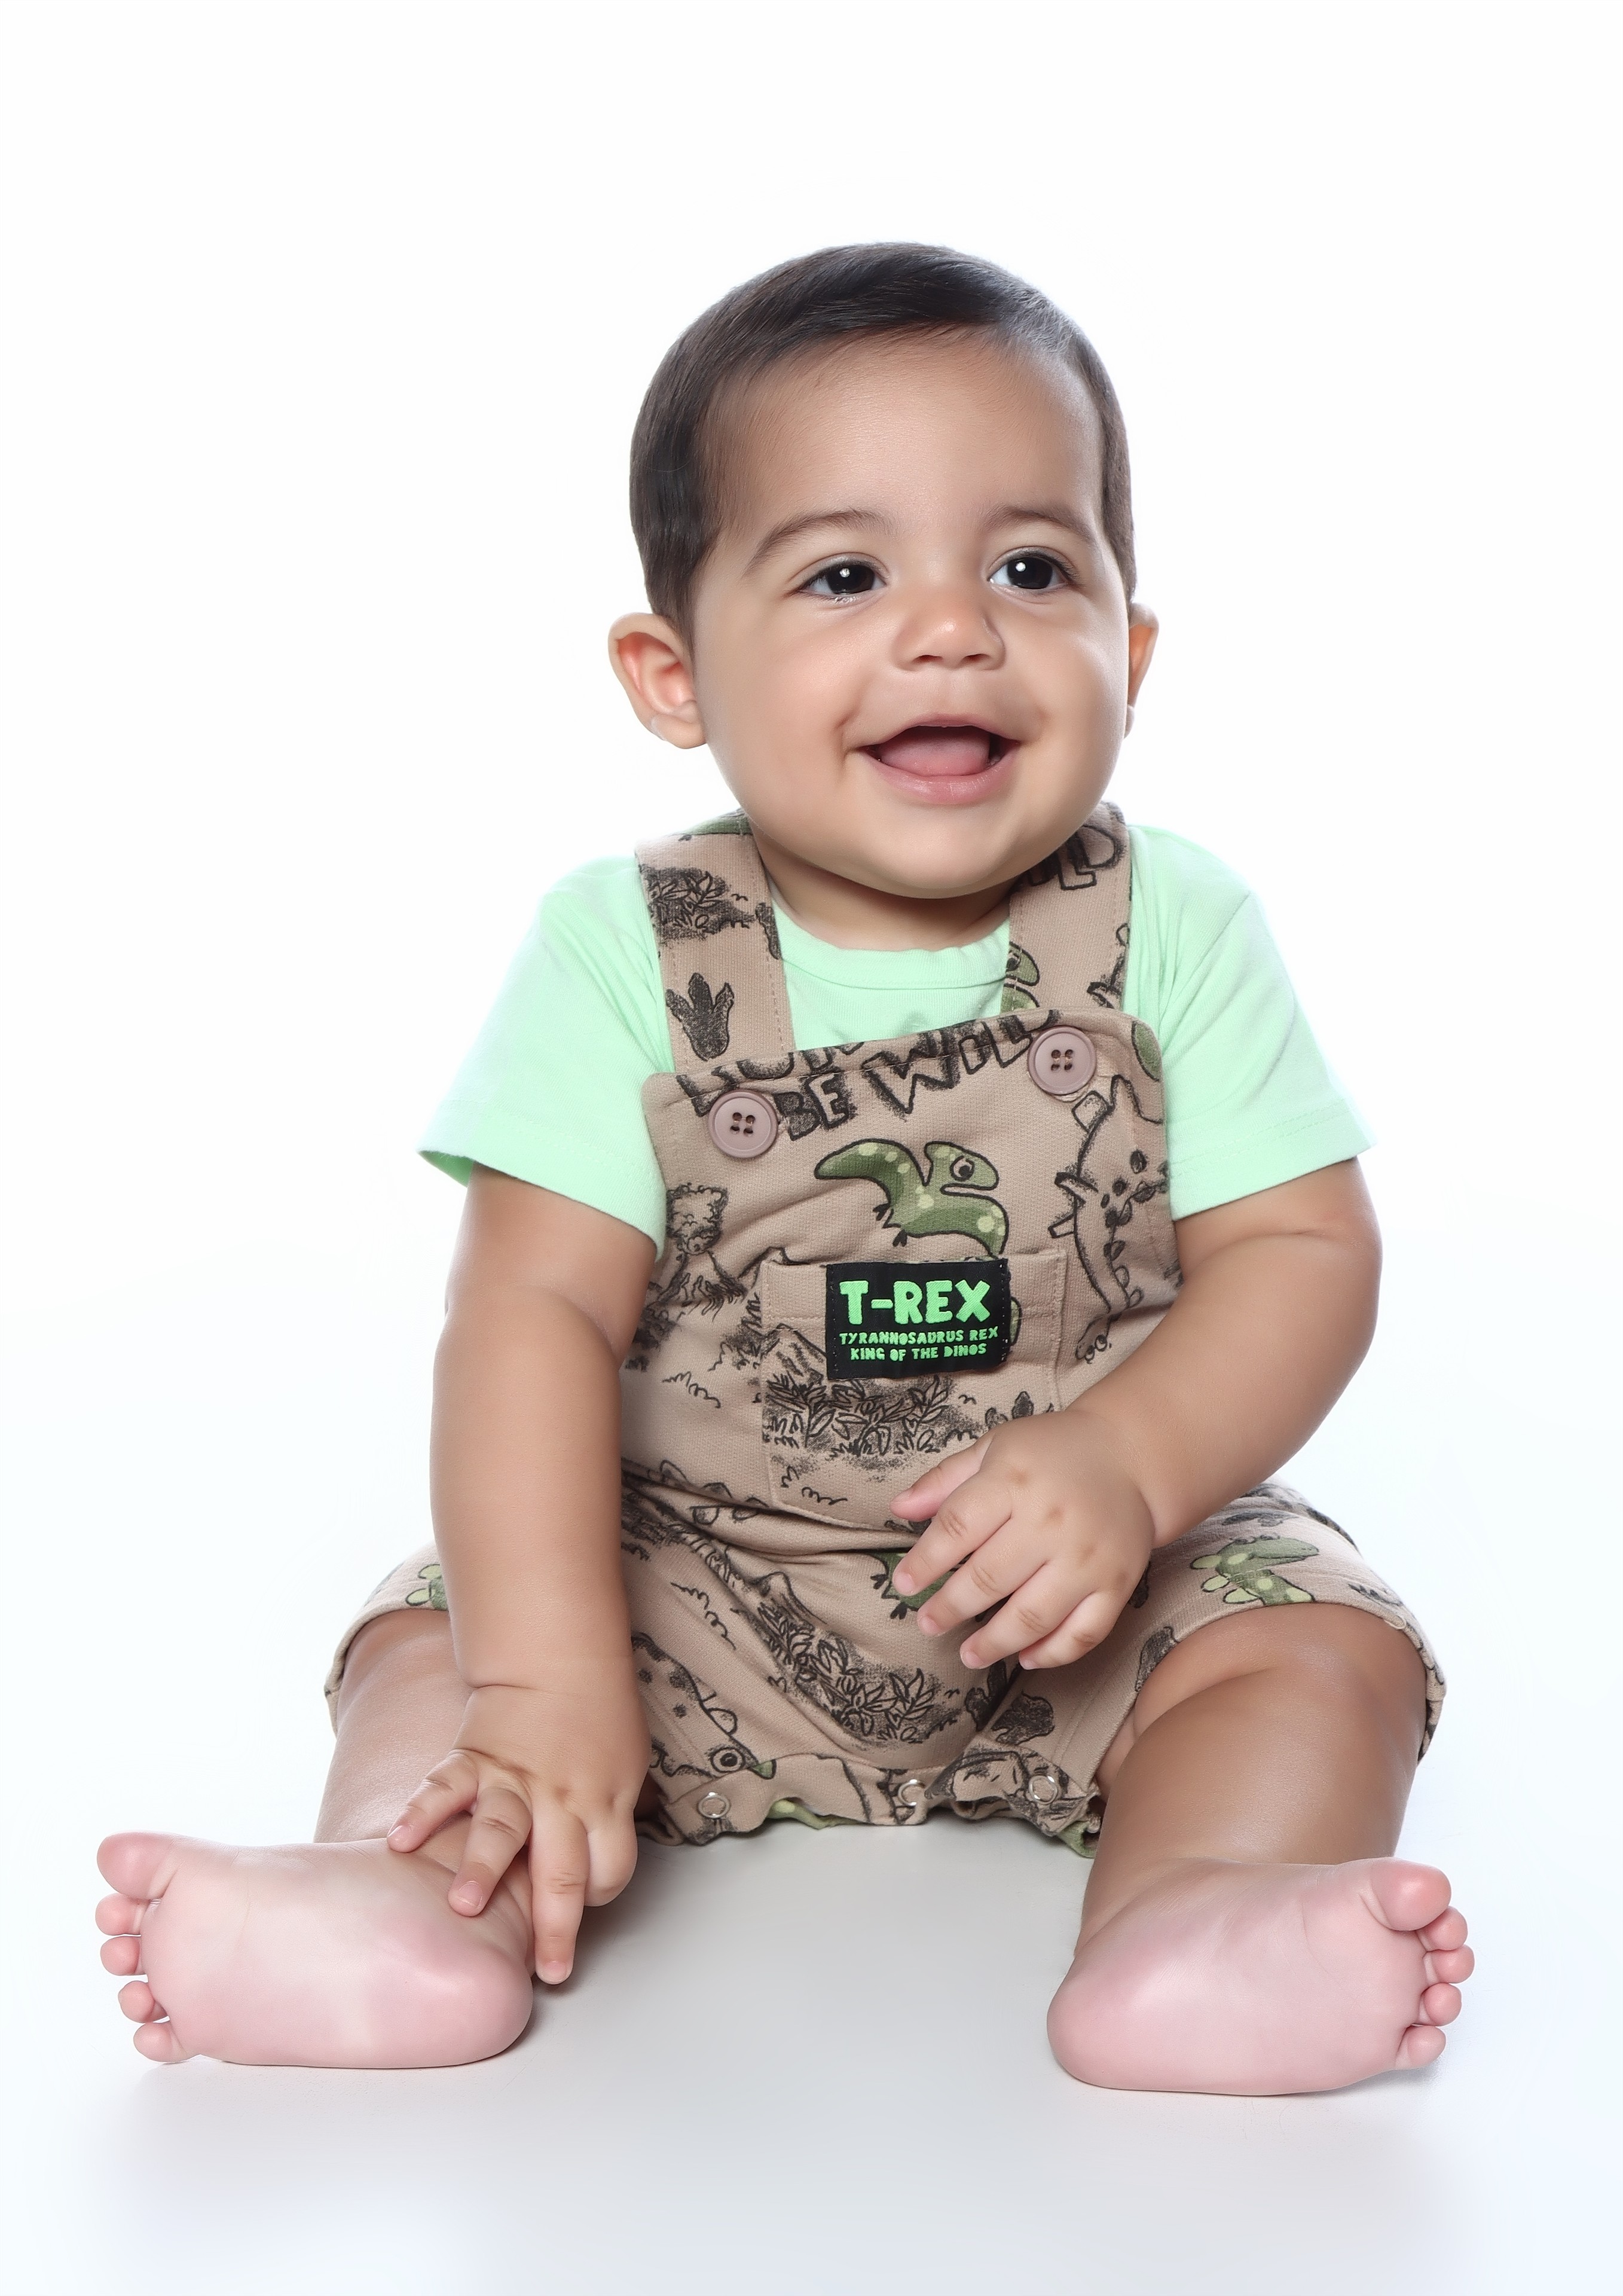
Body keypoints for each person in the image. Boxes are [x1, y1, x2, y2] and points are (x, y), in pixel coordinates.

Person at [95, 243, 1474, 2093]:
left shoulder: (1173, 926)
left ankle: (1202, 1913)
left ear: (1130, 655)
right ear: (671, 674)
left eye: (1031, 568)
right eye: (844, 574)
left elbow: (1302, 1252)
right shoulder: (621, 953)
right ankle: (402, 1907)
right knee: (445, 1642)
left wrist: (1133, 1461)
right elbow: (529, 1314)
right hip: (693, 1587)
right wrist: (542, 1684)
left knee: (1310, 1644)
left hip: (1092, 1586)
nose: (951, 630)